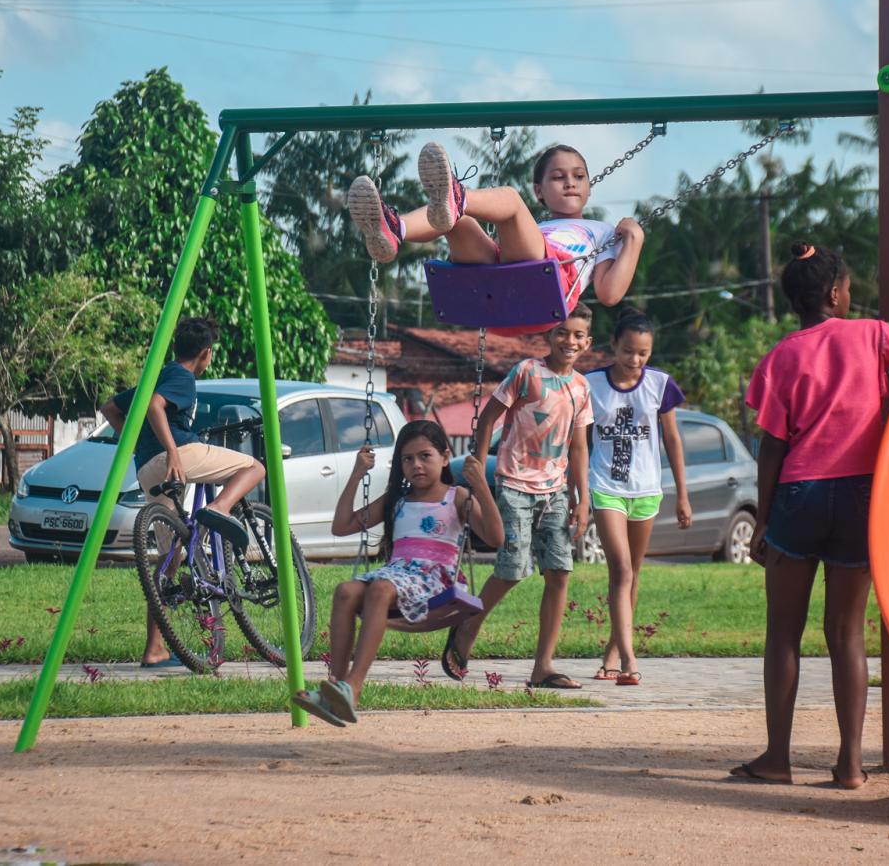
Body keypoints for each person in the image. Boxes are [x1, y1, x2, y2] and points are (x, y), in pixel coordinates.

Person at [736, 242, 889, 789]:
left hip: (799, 495)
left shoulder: (780, 357)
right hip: (863, 495)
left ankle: (777, 759)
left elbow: (772, 447)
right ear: (837, 293)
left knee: (783, 636)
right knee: (846, 633)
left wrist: (764, 519)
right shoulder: (872, 335)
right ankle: (851, 765)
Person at [298, 420, 503, 726]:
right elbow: (340, 527)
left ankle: (353, 688)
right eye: (408, 459)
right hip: (398, 575)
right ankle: (335, 689)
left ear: (445, 457)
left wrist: (482, 486)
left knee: (380, 588)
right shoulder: (397, 500)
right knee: (345, 591)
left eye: (425, 456)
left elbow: (497, 539)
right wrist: (356, 475)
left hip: (436, 580)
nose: (416, 465)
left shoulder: (457, 496)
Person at [442, 303, 594, 690]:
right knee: (512, 568)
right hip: (513, 484)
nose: (569, 341)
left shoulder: (581, 387)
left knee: (559, 572)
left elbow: (578, 448)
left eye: (578, 335)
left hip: (555, 491)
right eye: (562, 332)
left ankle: (543, 665)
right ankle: (468, 625)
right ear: (548, 335)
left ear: (588, 343)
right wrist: (477, 464)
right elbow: (490, 416)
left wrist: (582, 498)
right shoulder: (527, 372)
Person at [100, 317, 266, 669]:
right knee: (254, 468)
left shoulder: (156, 373)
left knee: (168, 561)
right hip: (178, 456)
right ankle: (220, 507)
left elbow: (111, 409)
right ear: (205, 354)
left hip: (146, 469)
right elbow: (155, 405)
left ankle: (154, 648)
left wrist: (138, 446)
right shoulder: (182, 377)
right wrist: (172, 450)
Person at [347, 141, 645, 321]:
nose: (570, 182)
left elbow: (609, 293)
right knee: (457, 221)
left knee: (511, 202)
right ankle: (395, 229)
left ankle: (459, 197)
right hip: (504, 276)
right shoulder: (537, 227)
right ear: (540, 191)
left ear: (589, 188)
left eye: (579, 176)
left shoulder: (600, 230)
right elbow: (515, 243)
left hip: (551, 281)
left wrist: (634, 238)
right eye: (558, 177)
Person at [584, 309, 691, 686]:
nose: (635, 360)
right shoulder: (590, 384)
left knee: (634, 574)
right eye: (628, 351)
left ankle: (613, 652)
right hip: (605, 486)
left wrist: (682, 495)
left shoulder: (660, 385)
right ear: (613, 345)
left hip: (646, 489)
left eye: (643, 353)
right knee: (621, 570)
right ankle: (630, 658)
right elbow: (578, 442)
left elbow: (673, 440)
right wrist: (580, 494)